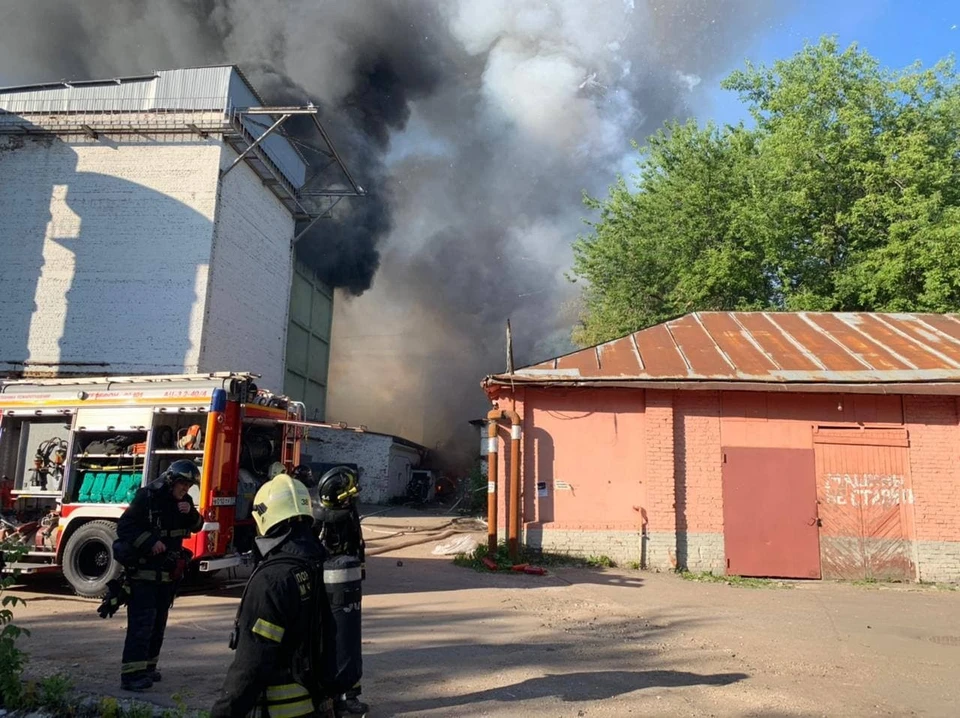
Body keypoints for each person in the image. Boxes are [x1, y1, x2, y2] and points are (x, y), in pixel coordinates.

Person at [211, 474, 334, 718]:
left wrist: (223, 713)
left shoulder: (273, 579)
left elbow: (253, 662)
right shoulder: (321, 564)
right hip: (321, 704)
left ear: (264, 518)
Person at [115, 459, 202, 691]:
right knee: (142, 624)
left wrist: (191, 513)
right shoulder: (147, 497)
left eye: (190, 487)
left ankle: (148, 668)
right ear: (172, 480)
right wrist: (150, 542)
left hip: (167, 576)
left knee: (158, 625)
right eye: (183, 485)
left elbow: (197, 526)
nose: (186, 490)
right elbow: (124, 527)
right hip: (144, 574)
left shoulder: (185, 502)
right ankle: (131, 676)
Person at [315, 466, 367, 716]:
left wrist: (360, 570)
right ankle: (332, 695)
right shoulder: (323, 518)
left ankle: (350, 694)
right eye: (348, 493)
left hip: (348, 585)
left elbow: (357, 544)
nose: (353, 496)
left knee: (349, 640)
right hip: (328, 588)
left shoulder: (348, 513)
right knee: (331, 639)